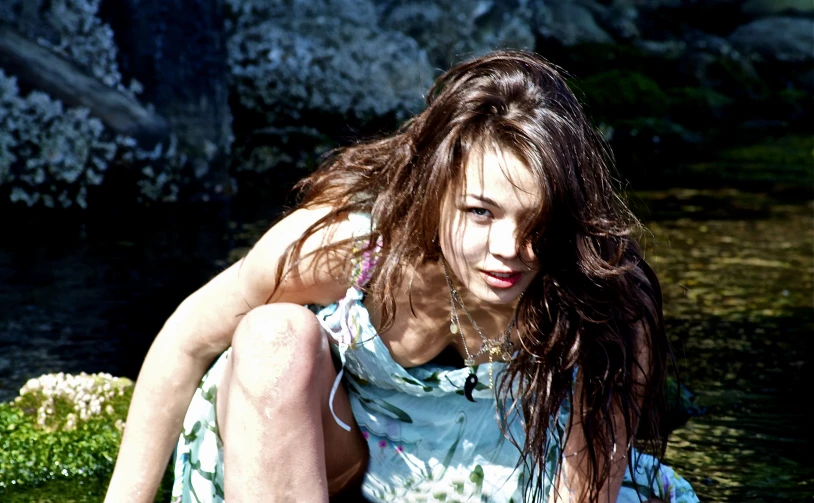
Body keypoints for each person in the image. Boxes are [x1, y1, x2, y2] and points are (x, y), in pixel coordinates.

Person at [104, 50, 699, 503]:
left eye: (538, 220)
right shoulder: (349, 247)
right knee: (270, 337)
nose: (509, 250)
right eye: (480, 212)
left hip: (505, 472)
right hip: (332, 457)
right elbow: (185, 342)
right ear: (435, 190)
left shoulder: (602, 298)